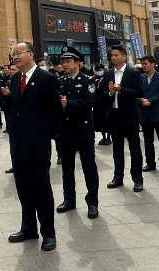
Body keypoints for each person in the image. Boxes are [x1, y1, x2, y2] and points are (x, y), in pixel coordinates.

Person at [3, 41, 62, 251]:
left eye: (19, 53)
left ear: (31, 54)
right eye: (13, 54)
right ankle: (28, 229)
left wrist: (45, 136)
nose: (15, 57)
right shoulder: (15, 79)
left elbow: (56, 113)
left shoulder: (46, 79)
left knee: (42, 191)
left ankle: (49, 233)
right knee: (24, 190)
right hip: (19, 146)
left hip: (38, 145)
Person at [56, 46, 100, 218]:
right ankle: (69, 200)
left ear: (78, 64)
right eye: (63, 62)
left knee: (89, 167)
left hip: (83, 129)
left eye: (68, 61)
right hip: (66, 130)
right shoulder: (61, 81)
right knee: (67, 168)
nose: (65, 65)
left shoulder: (88, 81)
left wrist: (69, 105)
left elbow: (89, 102)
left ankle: (92, 202)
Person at [104, 45, 144, 191]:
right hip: (114, 115)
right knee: (117, 149)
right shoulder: (108, 74)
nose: (113, 57)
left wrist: (121, 90)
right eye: (111, 55)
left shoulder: (133, 73)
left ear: (124, 56)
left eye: (116, 55)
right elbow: (101, 93)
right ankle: (118, 177)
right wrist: (109, 92)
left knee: (134, 149)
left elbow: (139, 91)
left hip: (130, 115)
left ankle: (137, 179)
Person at [137, 55, 159, 174]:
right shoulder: (140, 78)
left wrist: (150, 100)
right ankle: (150, 163)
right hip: (145, 114)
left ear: (153, 64)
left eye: (146, 63)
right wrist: (141, 100)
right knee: (147, 140)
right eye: (143, 64)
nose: (144, 66)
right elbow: (136, 92)